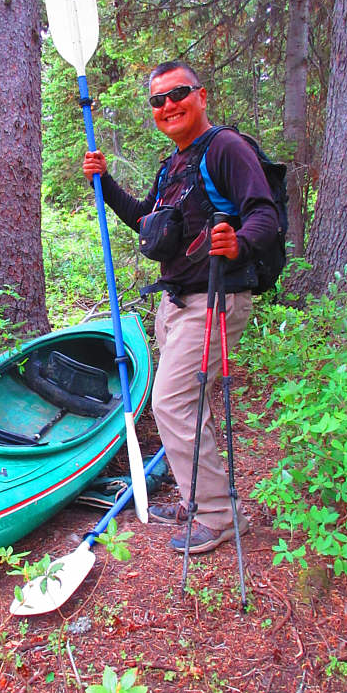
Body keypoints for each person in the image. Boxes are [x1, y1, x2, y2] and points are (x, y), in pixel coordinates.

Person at [82, 60, 279, 554]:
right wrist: (104, 186)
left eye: (178, 94)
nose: (168, 105)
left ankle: (219, 515)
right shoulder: (173, 164)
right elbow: (147, 222)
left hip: (215, 300)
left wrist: (238, 242)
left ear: (201, 96)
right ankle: (199, 498)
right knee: (189, 404)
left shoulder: (226, 149)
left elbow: (264, 214)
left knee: (170, 401)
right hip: (175, 302)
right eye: (158, 100)